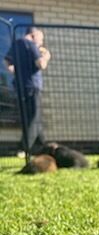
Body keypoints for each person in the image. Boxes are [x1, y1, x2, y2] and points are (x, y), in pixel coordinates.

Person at [4, 27, 51, 156]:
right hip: (32, 86)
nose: (41, 43)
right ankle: (23, 148)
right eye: (41, 39)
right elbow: (40, 64)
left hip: (20, 86)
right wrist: (46, 56)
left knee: (31, 117)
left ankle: (40, 146)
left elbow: (7, 60)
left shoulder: (16, 44)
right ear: (33, 35)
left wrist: (12, 69)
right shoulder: (31, 44)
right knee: (34, 117)